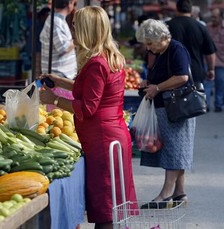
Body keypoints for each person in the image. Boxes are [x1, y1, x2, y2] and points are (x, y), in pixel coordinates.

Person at [40, 6, 137, 229]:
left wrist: (53, 99)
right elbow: (93, 91)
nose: (72, 30)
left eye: (75, 26)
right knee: (111, 203)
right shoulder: (110, 57)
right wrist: (60, 81)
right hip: (112, 135)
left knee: (105, 207)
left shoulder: (96, 63)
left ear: (87, 30)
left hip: (102, 138)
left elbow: (88, 107)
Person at [135, 18, 194, 209]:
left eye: (150, 43)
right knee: (177, 150)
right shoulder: (161, 52)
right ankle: (180, 193)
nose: (148, 48)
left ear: (161, 37)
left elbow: (182, 77)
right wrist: (148, 83)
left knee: (175, 151)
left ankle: (165, 194)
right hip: (167, 108)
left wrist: (157, 87)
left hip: (176, 110)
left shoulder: (176, 50)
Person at [166, 0, 216, 111]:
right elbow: (210, 52)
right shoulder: (200, 26)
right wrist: (211, 69)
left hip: (172, 72)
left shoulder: (168, 26)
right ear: (191, 10)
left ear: (177, 9)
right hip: (195, 72)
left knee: (173, 106)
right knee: (192, 107)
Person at [39, 0, 77, 111]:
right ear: (69, 3)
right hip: (58, 77)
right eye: (73, 3)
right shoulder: (55, 22)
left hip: (61, 76)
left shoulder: (58, 20)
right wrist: (77, 41)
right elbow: (63, 48)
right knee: (59, 116)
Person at [207, 8, 224, 112]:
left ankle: (218, 103)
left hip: (221, 61)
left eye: (215, 17)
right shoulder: (207, 27)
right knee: (207, 83)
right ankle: (206, 104)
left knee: (220, 83)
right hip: (208, 60)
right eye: (212, 16)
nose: (212, 19)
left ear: (221, 17)